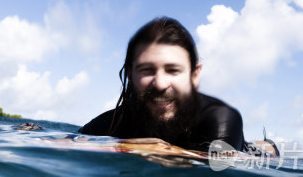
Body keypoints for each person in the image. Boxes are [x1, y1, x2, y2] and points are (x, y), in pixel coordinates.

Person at [80, 17, 264, 153]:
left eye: (173, 70)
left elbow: (219, 169)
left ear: (194, 74)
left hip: (248, 152)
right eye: (147, 70)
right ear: (130, 74)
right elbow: (63, 142)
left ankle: (267, 146)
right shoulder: (116, 121)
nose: (160, 84)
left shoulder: (221, 118)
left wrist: (157, 149)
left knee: (260, 151)